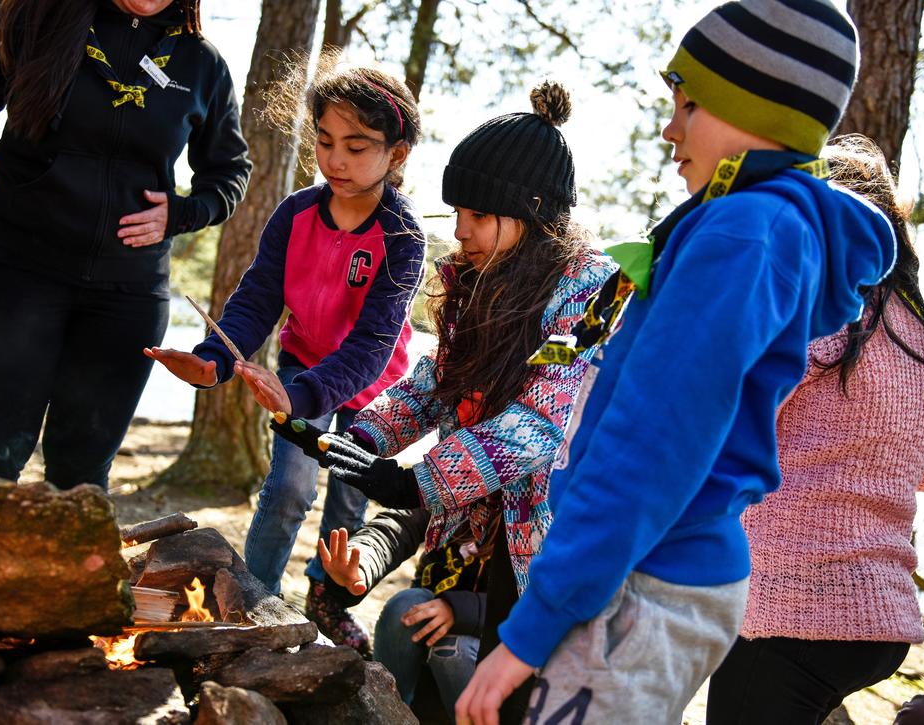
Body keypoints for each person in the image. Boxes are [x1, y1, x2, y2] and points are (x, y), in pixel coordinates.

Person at [454, 2, 898, 723]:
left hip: (647, 577)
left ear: (766, 113)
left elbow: (651, 441)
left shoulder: (743, 233)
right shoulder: (756, 227)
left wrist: (532, 629)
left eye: (689, 105)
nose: (670, 128)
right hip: (651, 566)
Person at [272, 80, 616, 723]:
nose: (459, 232)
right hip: (469, 535)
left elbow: (542, 421)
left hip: (547, 543)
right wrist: (363, 438)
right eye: (456, 212)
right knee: (427, 676)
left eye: (478, 216)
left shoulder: (588, 289)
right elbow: (433, 387)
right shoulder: (474, 283)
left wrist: (418, 480)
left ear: (535, 214)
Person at [0, 0, 251, 490]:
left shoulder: (202, 64)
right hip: (15, 274)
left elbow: (228, 172)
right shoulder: (28, 17)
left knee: (82, 479)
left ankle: (65, 569)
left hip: (126, 297)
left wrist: (181, 213)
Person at [145, 64, 426, 656]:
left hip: (373, 385)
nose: (335, 160)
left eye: (356, 147)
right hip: (300, 366)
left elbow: (373, 345)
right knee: (291, 485)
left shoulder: (402, 235)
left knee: (350, 498)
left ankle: (329, 600)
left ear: (396, 153)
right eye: (324, 141)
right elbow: (254, 302)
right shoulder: (295, 214)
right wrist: (214, 361)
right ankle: (257, 595)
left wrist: (300, 398)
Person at [705, 135, 924, 724]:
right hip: (880, 615)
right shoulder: (920, 336)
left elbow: (725, 413)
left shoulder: (822, 308)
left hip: (796, 606)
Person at [319, 515, 488, 722]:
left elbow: (533, 610)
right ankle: (387, 713)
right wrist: (362, 562)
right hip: (425, 664)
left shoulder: (533, 513)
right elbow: (399, 524)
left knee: (454, 651)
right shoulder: (456, 490)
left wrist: (459, 609)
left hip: (493, 668)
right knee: (404, 608)